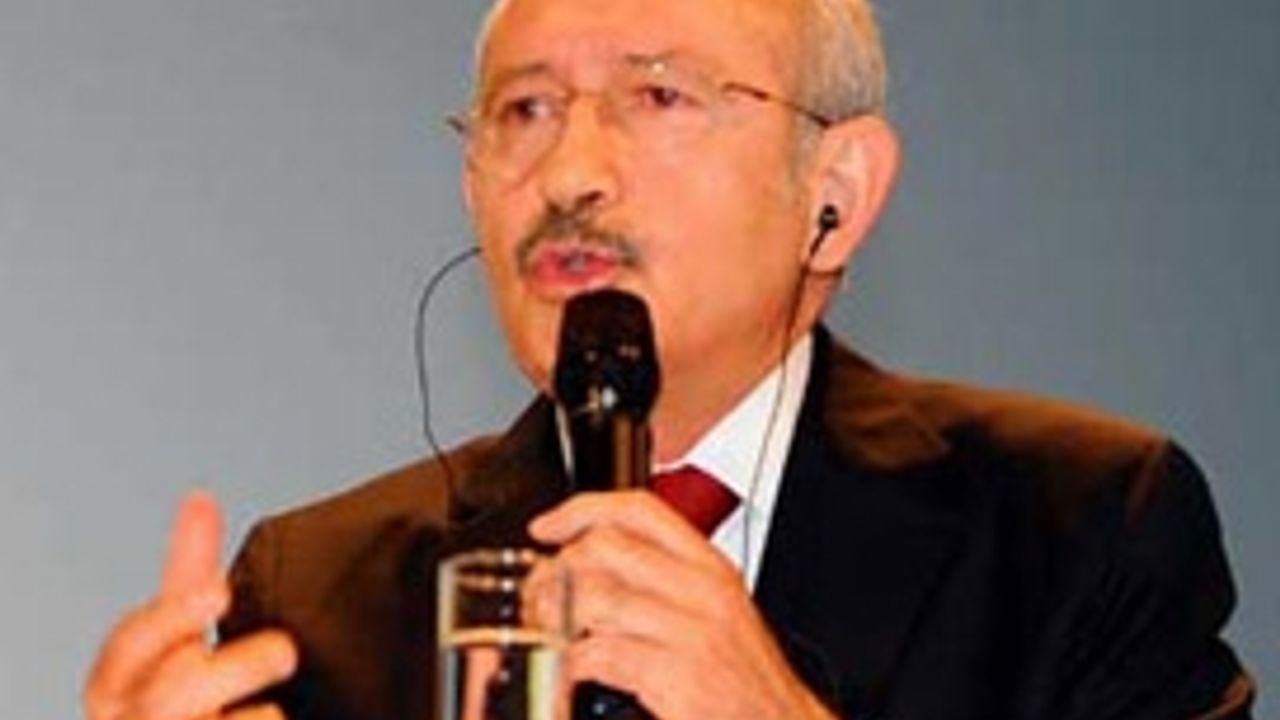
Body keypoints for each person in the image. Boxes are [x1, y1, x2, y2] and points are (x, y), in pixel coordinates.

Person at [82, 0, 1255, 718]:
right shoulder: (317, 596)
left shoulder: (1079, 529)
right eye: (524, 110)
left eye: (656, 95)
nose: (570, 173)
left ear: (835, 194)